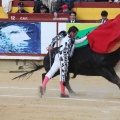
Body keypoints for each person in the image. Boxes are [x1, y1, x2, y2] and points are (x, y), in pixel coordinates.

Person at [39, 26, 87, 98]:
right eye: (75, 33)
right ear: (71, 32)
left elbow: (80, 41)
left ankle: (43, 87)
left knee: (51, 71)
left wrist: (87, 36)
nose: (75, 35)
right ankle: (63, 93)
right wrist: (51, 46)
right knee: (63, 75)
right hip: (64, 58)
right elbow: (55, 39)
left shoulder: (70, 39)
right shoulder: (65, 35)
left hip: (58, 56)